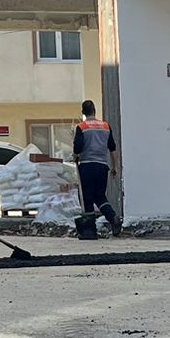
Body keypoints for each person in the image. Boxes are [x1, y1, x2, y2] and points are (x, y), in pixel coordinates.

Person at [71, 99, 121, 239]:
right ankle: (112, 217)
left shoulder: (82, 127)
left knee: (87, 197)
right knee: (99, 196)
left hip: (87, 165)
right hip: (102, 166)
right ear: (95, 110)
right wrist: (115, 166)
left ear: (83, 112)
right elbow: (112, 147)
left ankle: (89, 231)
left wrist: (75, 156)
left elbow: (78, 146)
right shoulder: (105, 126)